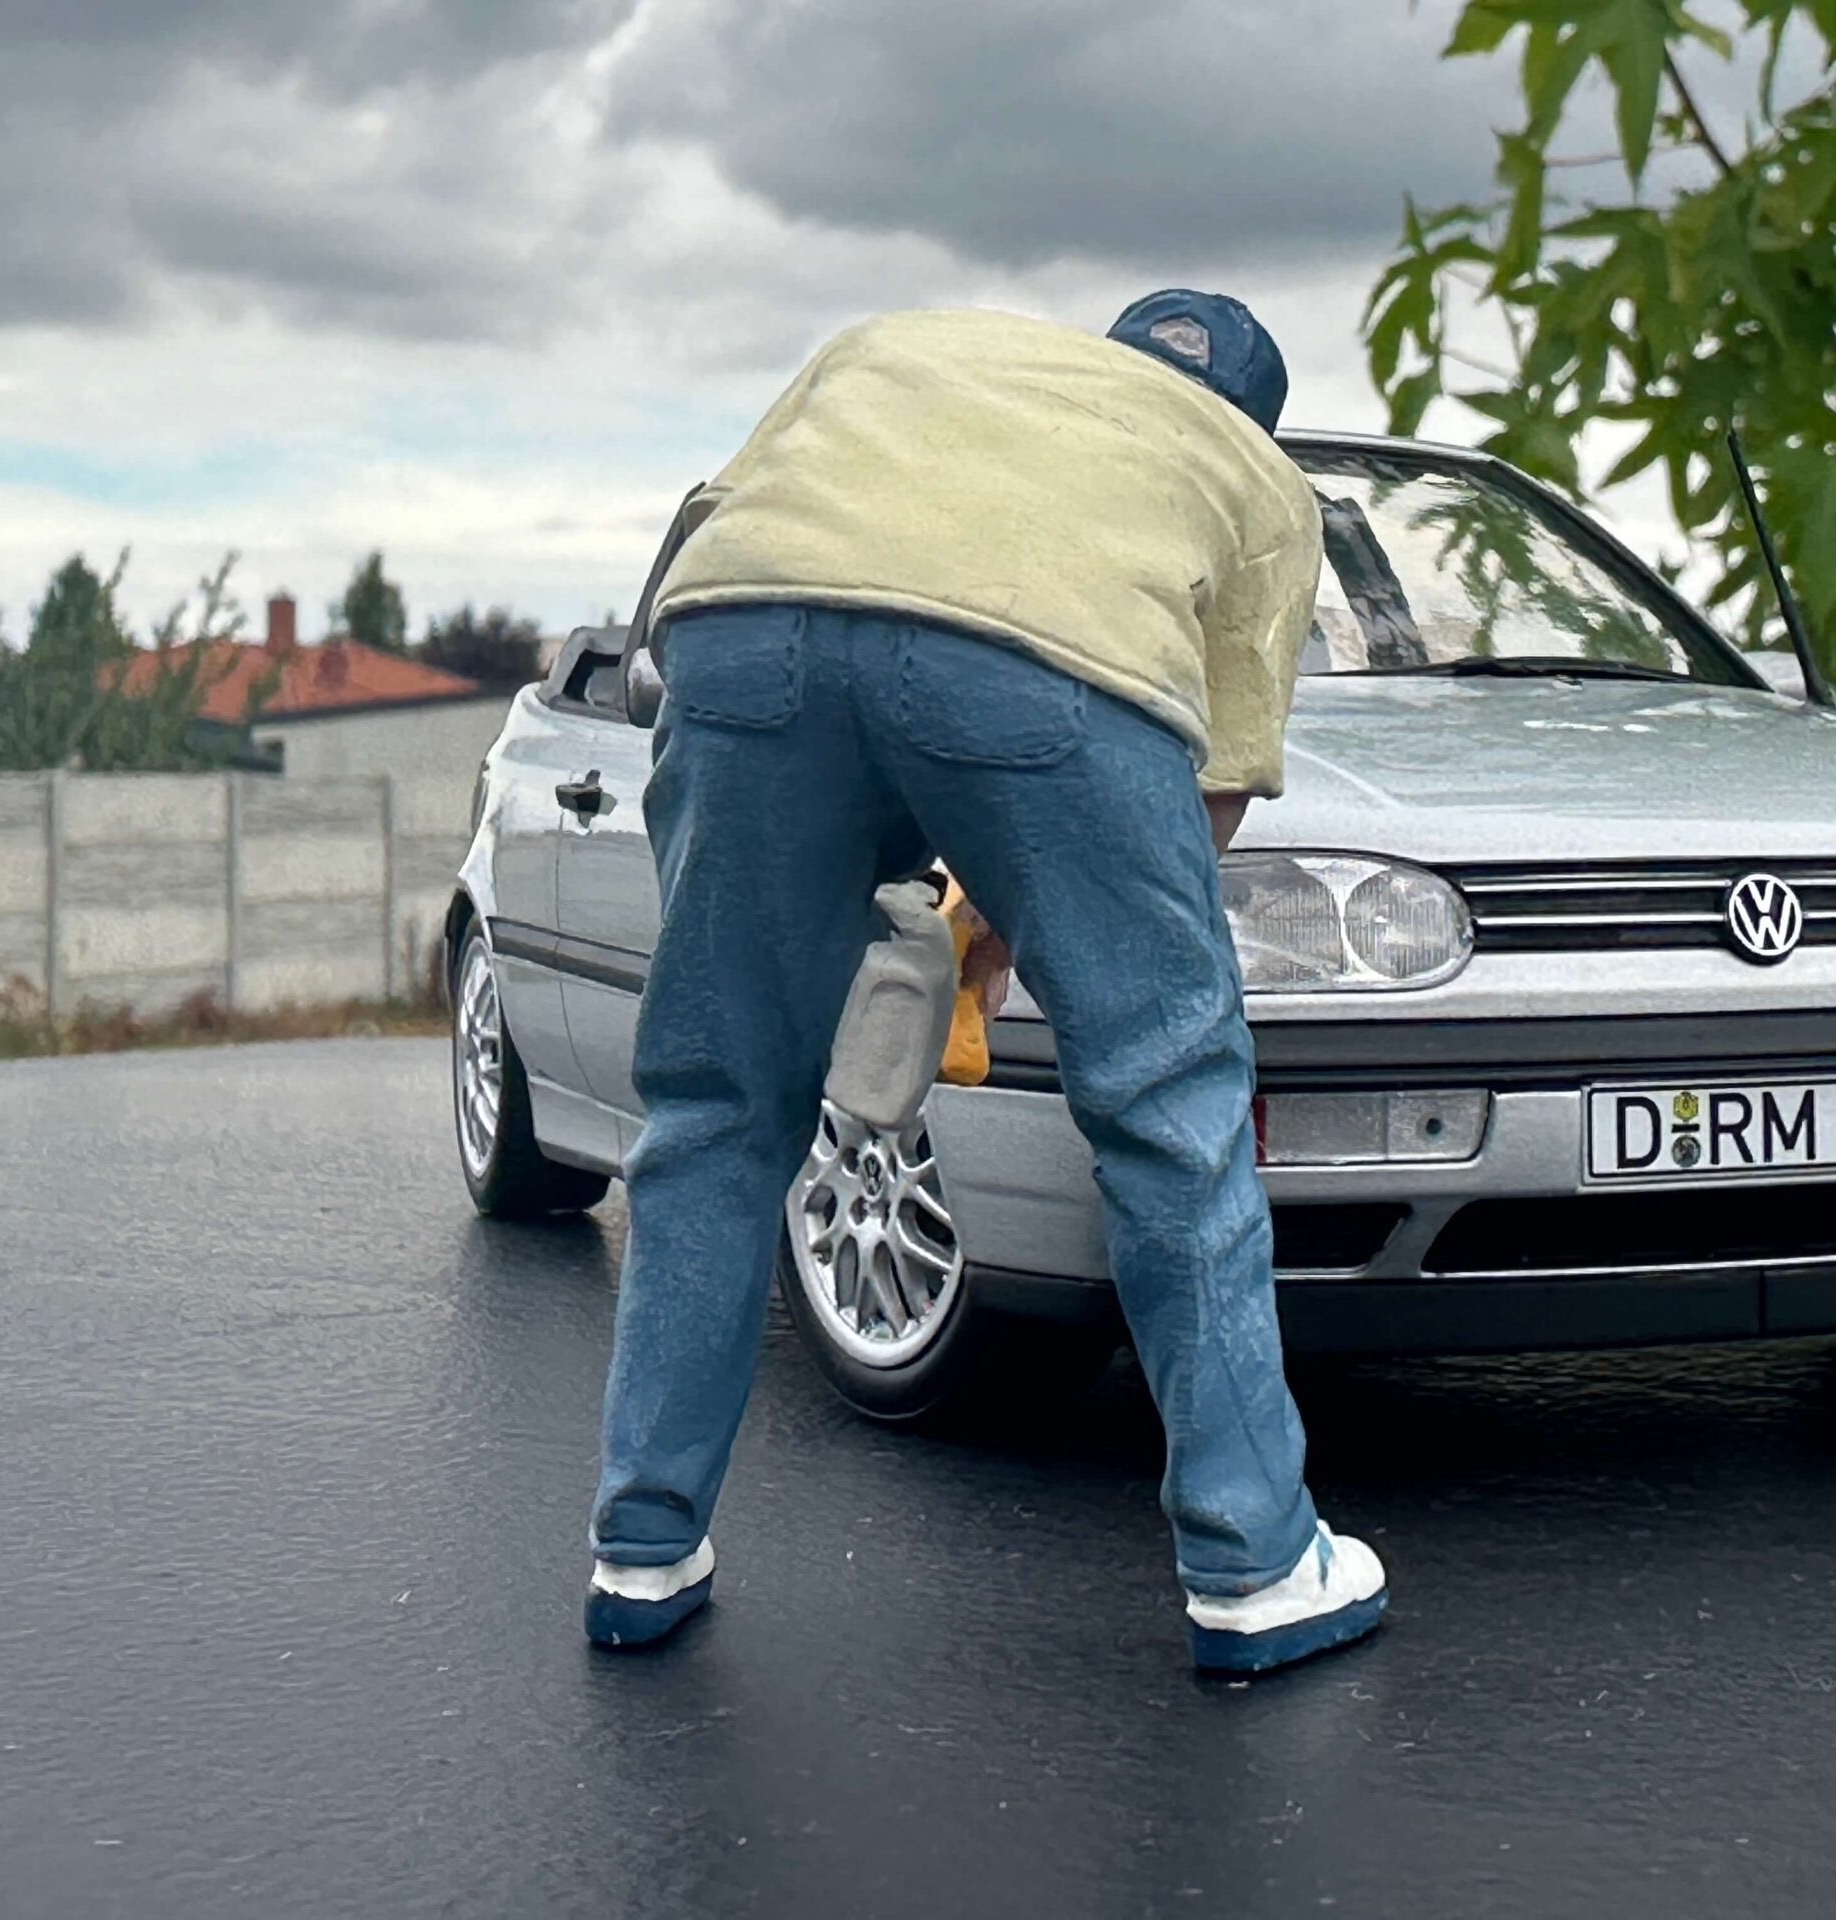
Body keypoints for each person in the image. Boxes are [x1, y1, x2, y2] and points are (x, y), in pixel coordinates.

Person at [584, 292, 1388, 1674]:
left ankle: (641, 1547)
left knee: (714, 1103)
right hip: (1043, 679)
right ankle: (1257, 1566)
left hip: (741, 627)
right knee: (1171, 1115)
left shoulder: (905, 346)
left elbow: (702, 547)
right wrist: (1023, 932)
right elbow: (1204, 801)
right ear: (1251, 422)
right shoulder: (1254, 480)